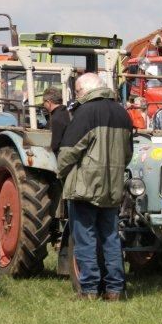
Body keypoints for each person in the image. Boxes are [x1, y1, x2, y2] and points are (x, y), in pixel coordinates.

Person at [57, 73, 133, 301]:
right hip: (112, 187)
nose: (77, 96)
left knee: (86, 239)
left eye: (78, 92)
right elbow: (128, 153)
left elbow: (68, 151)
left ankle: (89, 290)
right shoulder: (123, 113)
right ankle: (114, 289)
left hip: (85, 188)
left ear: (84, 91)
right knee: (111, 237)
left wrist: (61, 172)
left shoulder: (85, 112)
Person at [42, 87, 70, 155]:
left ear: (49, 102)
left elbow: (52, 145)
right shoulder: (66, 112)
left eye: (44, 102)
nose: (43, 105)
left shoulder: (55, 119)